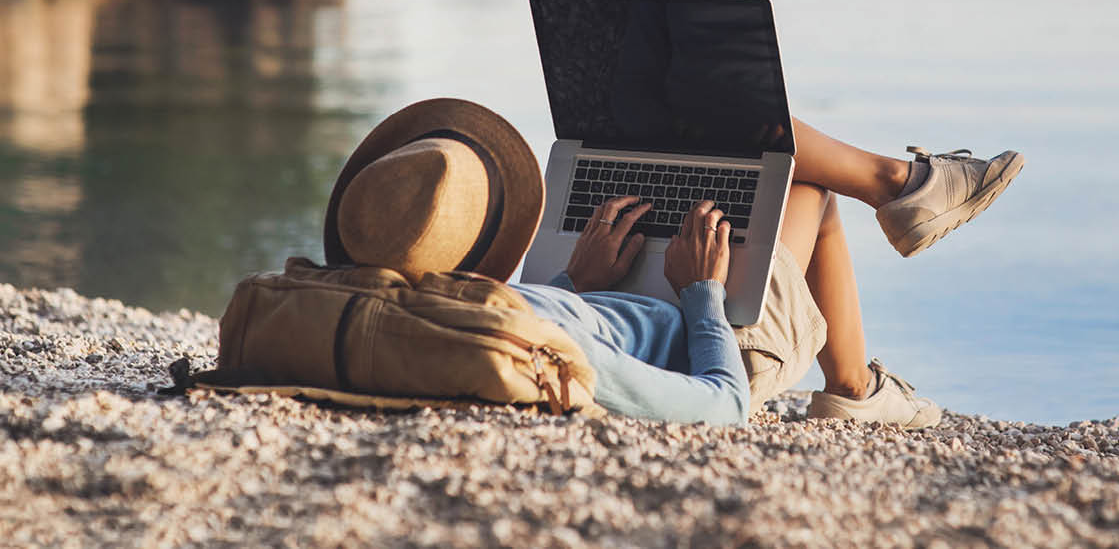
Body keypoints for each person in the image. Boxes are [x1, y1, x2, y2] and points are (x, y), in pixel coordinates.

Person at [324, 100, 1023, 427]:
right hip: (718, 344)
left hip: (611, 295)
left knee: (736, 128)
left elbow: (542, 313)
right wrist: (702, 292)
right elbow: (720, 406)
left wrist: (575, 284)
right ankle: (853, 386)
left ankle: (903, 189)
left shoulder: (428, 309)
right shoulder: (533, 341)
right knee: (797, 174)